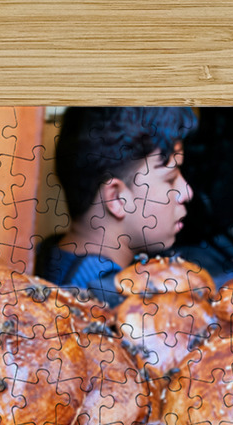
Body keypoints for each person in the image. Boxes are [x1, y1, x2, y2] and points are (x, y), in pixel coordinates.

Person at [35, 107, 197, 306]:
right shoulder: (112, 312)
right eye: (170, 179)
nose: (187, 192)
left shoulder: (46, 256)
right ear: (117, 198)